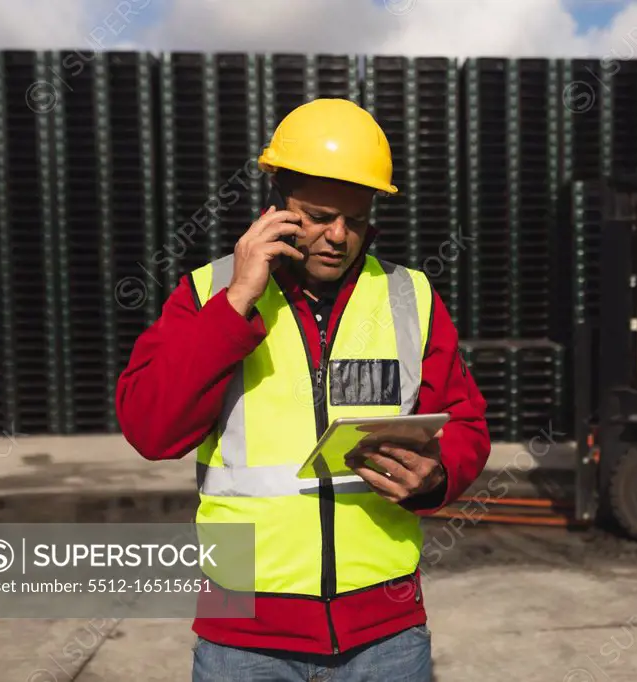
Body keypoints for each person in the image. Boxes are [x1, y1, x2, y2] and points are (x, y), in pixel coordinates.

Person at [115, 97, 491, 681]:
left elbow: (466, 424)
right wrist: (236, 302)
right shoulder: (208, 292)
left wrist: (438, 475)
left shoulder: (410, 297)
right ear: (275, 208)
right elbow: (149, 428)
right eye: (317, 215)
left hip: (384, 635)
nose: (338, 237)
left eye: (356, 220)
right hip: (242, 637)